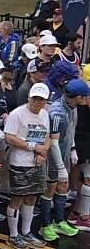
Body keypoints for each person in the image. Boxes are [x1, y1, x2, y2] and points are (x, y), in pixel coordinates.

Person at [4, 82, 52, 249]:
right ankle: (13, 234)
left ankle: (26, 231)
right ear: (28, 97)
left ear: (46, 101)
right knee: (17, 198)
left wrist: (42, 152)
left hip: (36, 163)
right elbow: (9, 138)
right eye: (34, 98)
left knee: (32, 197)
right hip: (19, 162)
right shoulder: (17, 115)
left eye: (41, 99)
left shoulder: (45, 115)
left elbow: (48, 137)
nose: (37, 102)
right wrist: (33, 147)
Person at [40, 79, 89, 240]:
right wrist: (60, 166)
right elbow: (53, 142)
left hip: (65, 153)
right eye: (85, 96)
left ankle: (59, 221)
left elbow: (70, 130)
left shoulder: (71, 108)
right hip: (53, 157)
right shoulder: (57, 112)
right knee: (50, 189)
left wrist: (73, 149)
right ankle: (45, 225)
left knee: (63, 187)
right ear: (79, 97)